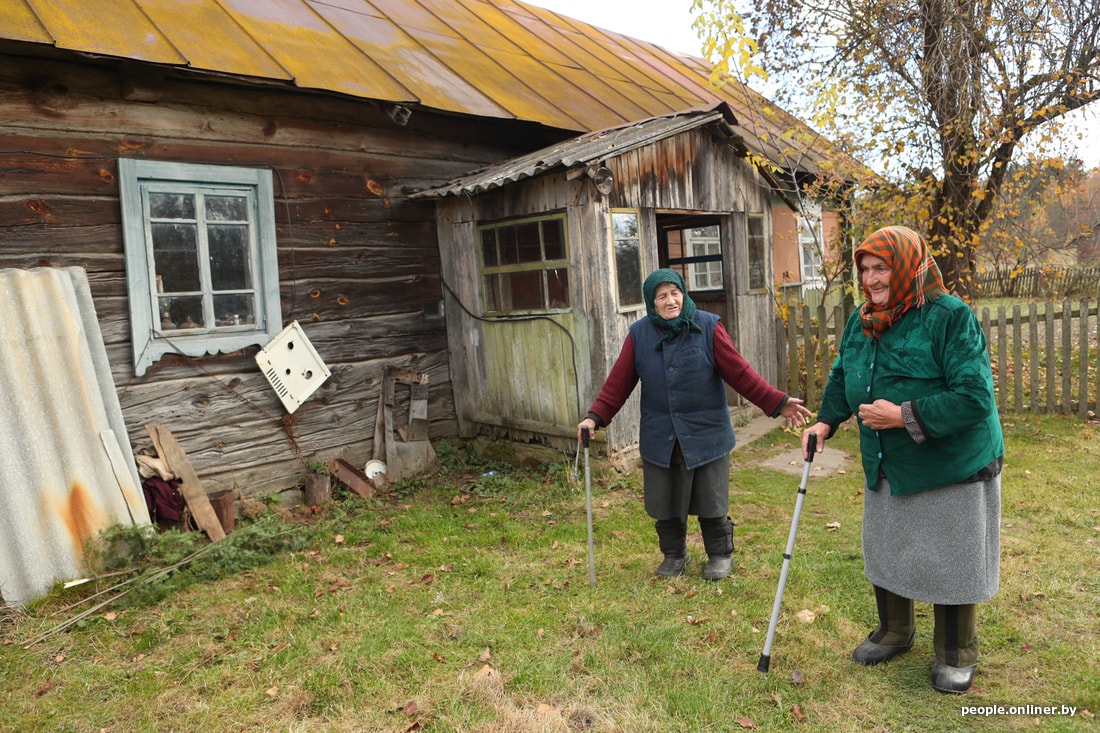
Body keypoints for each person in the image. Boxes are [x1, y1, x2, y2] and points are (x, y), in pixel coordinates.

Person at [800, 225, 1003, 694]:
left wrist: (903, 415)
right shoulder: (864, 317)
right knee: (888, 545)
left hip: (951, 464)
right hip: (889, 459)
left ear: (908, 266)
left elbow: (975, 397)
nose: (871, 279)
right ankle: (895, 631)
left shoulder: (949, 317)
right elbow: (842, 373)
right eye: (865, 270)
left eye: (881, 268)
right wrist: (826, 421)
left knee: (952, 557)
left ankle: (955, 652)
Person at [577, 268, 811, 581]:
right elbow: (618, 383)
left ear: (684, 294)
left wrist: (776, 402)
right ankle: (674, 555)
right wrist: (595, 416)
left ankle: (719, 555)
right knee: (665, 501)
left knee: (711, 499)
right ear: (652, 302)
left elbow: (740, 373)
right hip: (662, 435)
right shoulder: (640, 334)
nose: (670, 301)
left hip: (706, 432)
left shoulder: (708, 326)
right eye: (662, 296)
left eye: (675, 293)